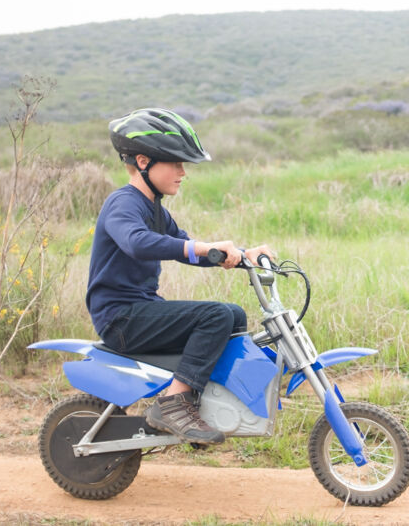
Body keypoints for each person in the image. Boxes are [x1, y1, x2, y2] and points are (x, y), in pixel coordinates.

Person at [86, 107, 273, 443]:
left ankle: (198, 402)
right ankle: (173, 404)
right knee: (215, 315)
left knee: (232, 315)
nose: (182, 172)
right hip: (121, 319)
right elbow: (137, 243)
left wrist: (244, 256)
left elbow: (185, 247)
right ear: (143, 162)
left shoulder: (155, 210)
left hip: (141, 311)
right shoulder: (123, 204)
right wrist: (203, 247)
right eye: (175, 163)